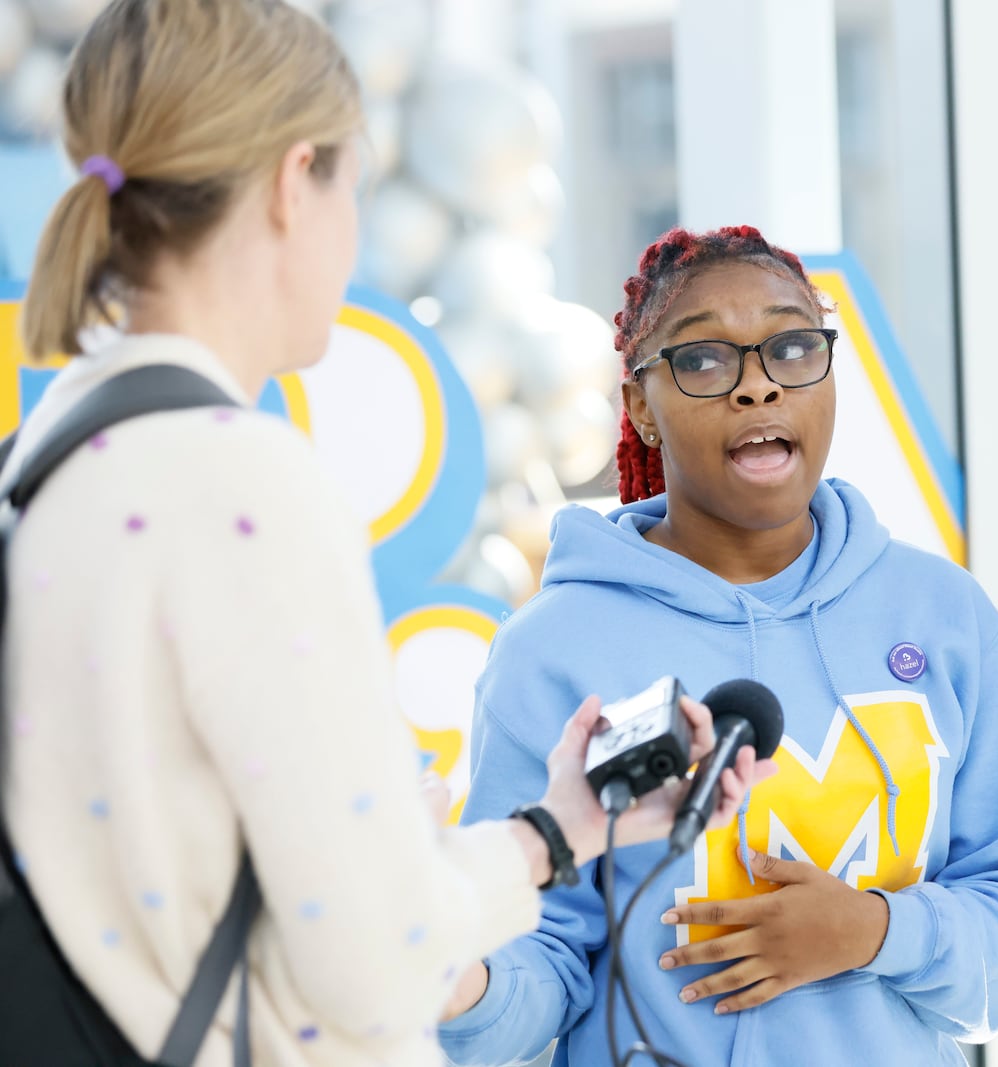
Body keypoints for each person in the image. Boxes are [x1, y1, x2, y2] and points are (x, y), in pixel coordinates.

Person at [2, 3, 763, 1065]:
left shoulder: (51, 452)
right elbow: (374, 963)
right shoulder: (241, 483)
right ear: (289, 180)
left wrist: (555, 825)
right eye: (351, 186)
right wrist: (501, 848)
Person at [437, 225, 998, 1067]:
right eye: (704, 360)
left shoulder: (945, 615)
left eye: (793, 346)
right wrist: (457, 990)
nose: (758, 388)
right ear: (638, 405)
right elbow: (542, 957)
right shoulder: (551, 649)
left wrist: (873, 931)